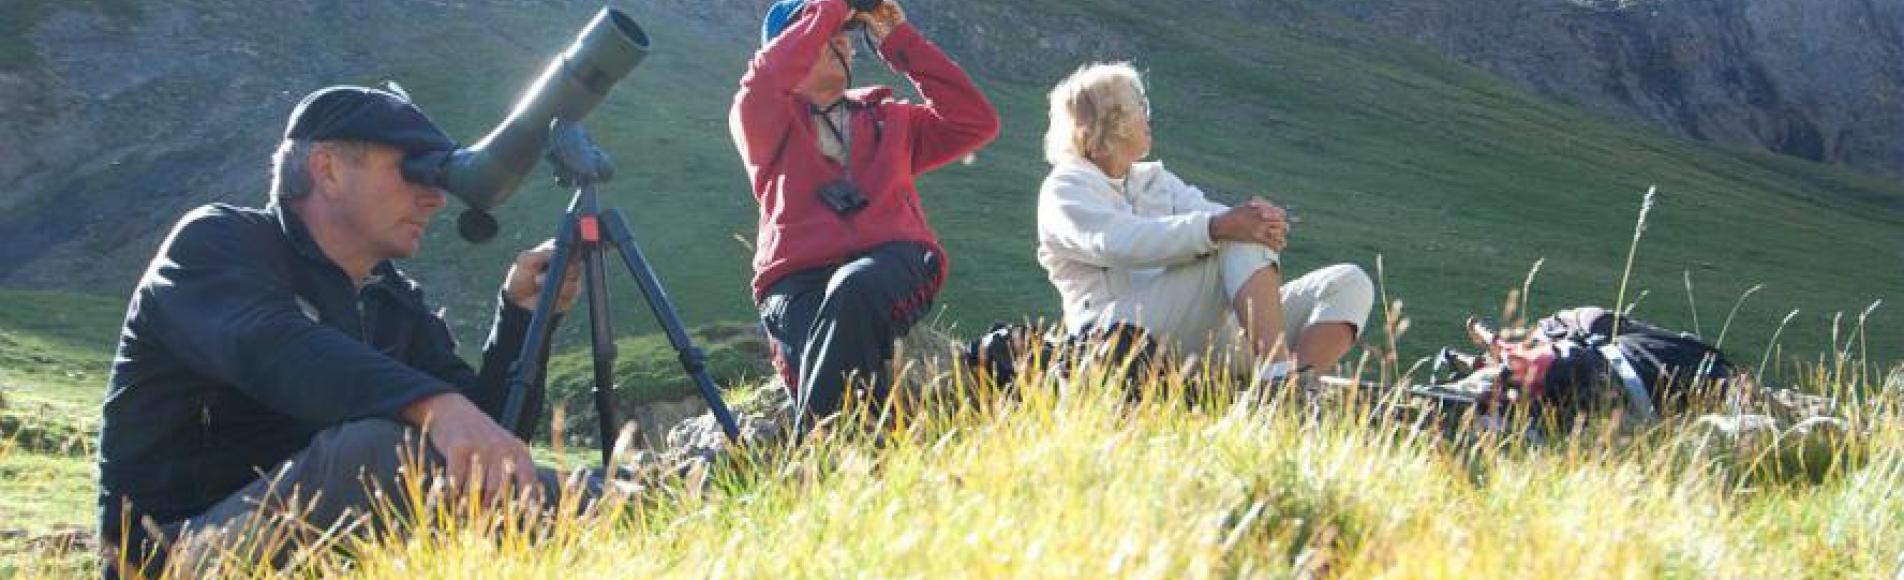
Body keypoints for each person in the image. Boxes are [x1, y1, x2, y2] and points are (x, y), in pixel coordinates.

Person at [97, 85, 587, 576]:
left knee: (427, 455)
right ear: (327, 169)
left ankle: (626, 495)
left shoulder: (389, 299)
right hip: (171, 558)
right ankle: (597, 505)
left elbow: (481, 447)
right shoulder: (216, 244)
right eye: (414, 170)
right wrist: (434, 406)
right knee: (373, 454)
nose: (435, 198)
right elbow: (272, 347)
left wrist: (522, 317)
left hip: (313, 544)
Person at [730, 0, 999, 426]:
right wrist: (829, 8)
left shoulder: (892, 118)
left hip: (895, 261)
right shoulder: (761, 117)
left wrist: (900, 40)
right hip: (794, 280)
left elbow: (975, 121)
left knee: (853, 289)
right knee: (834, 358)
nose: (843, 41)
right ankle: (865, 462)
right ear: (790, 46)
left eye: (846, 34)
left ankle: (810, 454)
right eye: (825, 34)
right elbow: (763, 79)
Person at [1035, 62, 1374, 382]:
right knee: (1236, 235)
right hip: (1116, 338)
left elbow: (1212, 213)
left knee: (1347, 283)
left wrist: (1259, 222)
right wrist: (1225, 227)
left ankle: (1290, 392)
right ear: (1113, 121)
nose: (1147, 116)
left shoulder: (1153, 180)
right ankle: (1277, 375)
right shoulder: (1066, 188)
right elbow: (1117, 242)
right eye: (1139, 106)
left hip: (1194, 332)